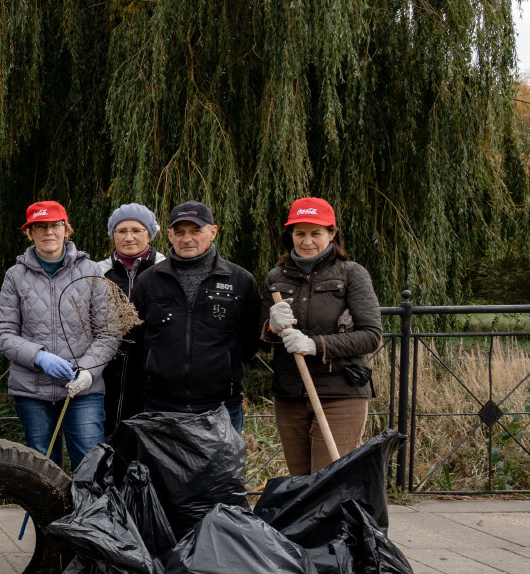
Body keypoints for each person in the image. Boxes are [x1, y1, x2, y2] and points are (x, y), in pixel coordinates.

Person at [0, 201, 119, 470]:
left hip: (83, 391)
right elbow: (3, 333)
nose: (48, 232)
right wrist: (38, 357)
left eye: (55, 225)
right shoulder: (15, 276)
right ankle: (50, 516)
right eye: (40, 226)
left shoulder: (90, 271)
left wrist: (87, 370)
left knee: (90, 466)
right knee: (42, 471)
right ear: (30, 233)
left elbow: (108, 332)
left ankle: (91, 514)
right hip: (32, 390)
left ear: (66, 229)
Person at [261, 197, 381, 474]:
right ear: (289, 234)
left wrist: (315, 345)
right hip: (290, 392)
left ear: (332, 234)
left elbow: (371, 336)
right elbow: (261, 336)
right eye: (299, 233)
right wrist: (271, 327)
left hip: (340, 392)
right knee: (300, 484)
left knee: (326, 482)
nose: (306, 241)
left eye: (315, 233)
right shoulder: (276, 278)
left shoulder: (352, 274)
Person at [125, 200, 262, 434]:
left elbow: (250, 340)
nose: (186, 239)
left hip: (221, 408)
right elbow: (134, 340)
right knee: (162, 471)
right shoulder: (148, 281)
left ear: (213, 231)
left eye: (196, 230)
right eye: (179, 232)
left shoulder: (240, 281)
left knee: (220, 472)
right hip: (161, 407)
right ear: (169, 235)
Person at [94, 203, 164, 434]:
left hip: (152, 376)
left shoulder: (165, 270)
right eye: (121, 231)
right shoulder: (97, 272)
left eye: (137, 230)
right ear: (112, 234)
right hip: (106, 375)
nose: (129, 237)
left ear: (150, 233)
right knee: (108, 442)